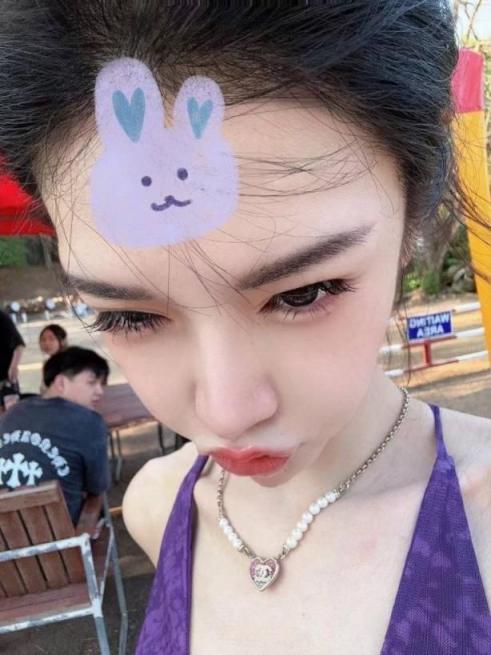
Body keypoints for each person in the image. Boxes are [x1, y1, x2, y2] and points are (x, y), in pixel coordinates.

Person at [0, 2, 490, 653]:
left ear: (412, 218)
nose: (226, 414)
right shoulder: (156, 506)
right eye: (129, 316)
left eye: (302, 293)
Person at [0, 347, 110, 524]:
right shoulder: (90, 422)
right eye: (92, 383)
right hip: (67, 536)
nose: (100, 391)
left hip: (7, 536)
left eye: (101, 384)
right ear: (61, 383)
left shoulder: (11, 414)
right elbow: (97, 486)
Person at [0, 307, 25, 408]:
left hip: (4, 379)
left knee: (11, 411)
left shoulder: (2, 317)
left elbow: (18, 345)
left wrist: (13, 366)